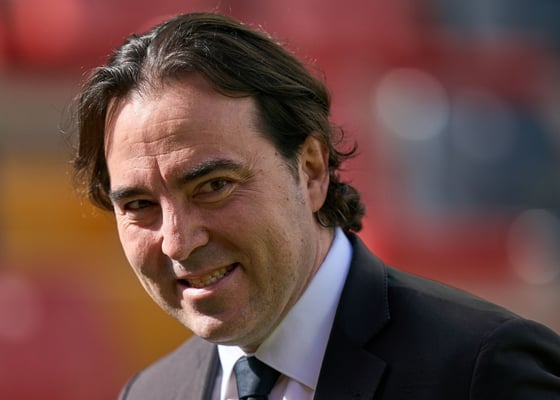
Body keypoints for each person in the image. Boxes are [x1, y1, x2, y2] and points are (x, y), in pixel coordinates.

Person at [71, 12, 560, 400]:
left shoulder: (483, 370)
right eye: (139, 204)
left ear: (310, 170)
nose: (178, 242)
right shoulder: (152, 393)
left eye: (213, 186)